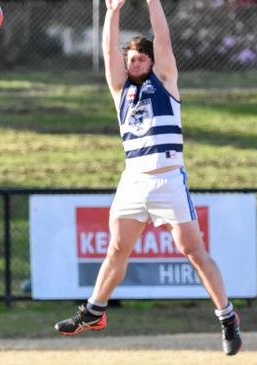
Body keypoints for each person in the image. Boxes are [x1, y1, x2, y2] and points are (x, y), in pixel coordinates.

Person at [54, 0, 242, 356]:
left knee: (194, 252)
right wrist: (112, 12)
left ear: (153, 61)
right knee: (116, 249)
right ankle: (94, 311)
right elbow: (109, 50)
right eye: (132, 59)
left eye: (141, 57)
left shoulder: (167, 83)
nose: (135, 62)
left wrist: (152, 1)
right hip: (134, 181)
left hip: (169, 179)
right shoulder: (120, 91)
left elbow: (163, 37)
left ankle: (227, 317)